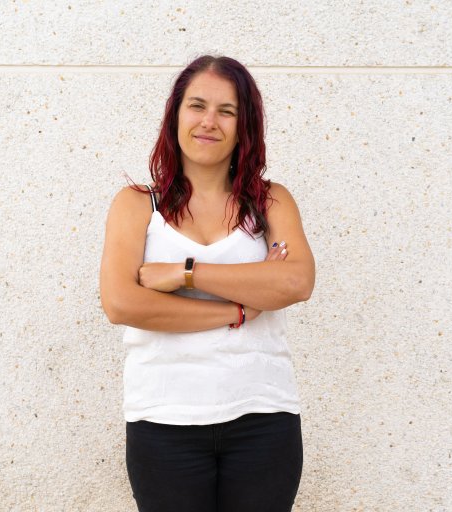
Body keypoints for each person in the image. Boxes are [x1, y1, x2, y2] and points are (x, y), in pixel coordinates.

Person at [99, 55, 315, 512]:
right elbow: (122, 303)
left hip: (263, 415)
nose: (209, 122)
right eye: (197, 106)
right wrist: (237, 307)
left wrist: (184, 273)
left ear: (244, 126)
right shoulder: (138, 205)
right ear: (176, 115)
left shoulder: (271, 201)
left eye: (227, 111)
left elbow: (295, 281)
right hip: (164, 420)